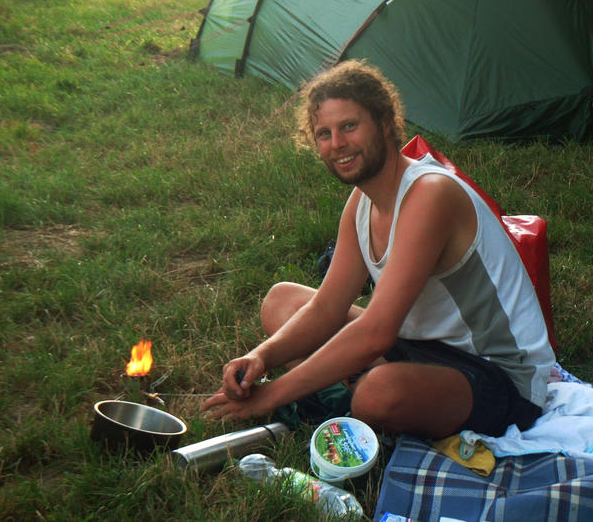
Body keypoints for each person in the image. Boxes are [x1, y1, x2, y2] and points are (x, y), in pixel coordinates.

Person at [201, 60, 554, 439]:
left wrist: (269, 396)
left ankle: (353, 399)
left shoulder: (429, 194)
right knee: (281, 303)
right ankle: (353, 396)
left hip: (498, 374)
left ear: (385, 123)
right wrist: (262, 357)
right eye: (324, 133)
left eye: (349, 126)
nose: (337, 144)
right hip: (419, 349)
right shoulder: (361, 203)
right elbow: (326, 307)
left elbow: (376, 333)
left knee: (377, 394)